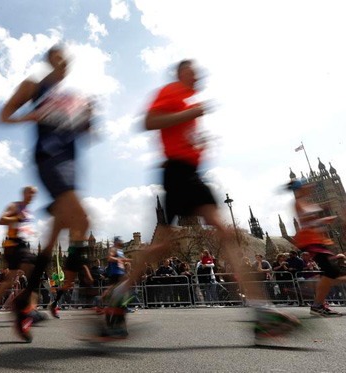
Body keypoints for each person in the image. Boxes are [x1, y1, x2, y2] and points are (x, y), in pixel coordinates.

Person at [115, 59, 299, 340]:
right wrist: (187, 116)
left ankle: (261, 311)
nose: (197, 75)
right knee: (164, 244)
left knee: (224, 234)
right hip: (176, 171)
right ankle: (118, 295)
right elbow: (149, 122)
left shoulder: (188, 100)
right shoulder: (172, 92)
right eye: (191, 71)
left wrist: (198, 141)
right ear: (181, 73)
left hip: (191, 173)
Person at [0, 44, 95, 341]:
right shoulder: (34, 86)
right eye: (57, 57)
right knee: (82, 221)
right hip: (49, 160)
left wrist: (88, 116)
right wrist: (27, 117)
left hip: (70, 166)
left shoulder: (71, 98)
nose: (62, 62)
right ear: (50, 60)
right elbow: (4, 115)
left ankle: (23, 302)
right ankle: (96, 313)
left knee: (55, 238)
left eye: (66, 59)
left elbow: (86, 133)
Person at [291, 180, 344, 316]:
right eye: (307, 185)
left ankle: (319, 304)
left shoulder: (305, 202)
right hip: (311, 242)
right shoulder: (300, 202)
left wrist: (324, 216)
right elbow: (308, 220)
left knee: (327, 274)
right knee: (330, 272)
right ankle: (315, 302)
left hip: (317, 241)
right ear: (300, 189)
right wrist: (323, 217)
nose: (311, 187)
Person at [0, 186, 38, 323]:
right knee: (33, 274)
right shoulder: (15, 206)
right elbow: (1, 220)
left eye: (34, 194)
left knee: (9, 280)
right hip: (14, 245)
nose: (32, 196)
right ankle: (29, 309)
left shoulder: (28, 211)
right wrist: (16, 217)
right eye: (30, 193)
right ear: (25, 193)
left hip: (21, 245)